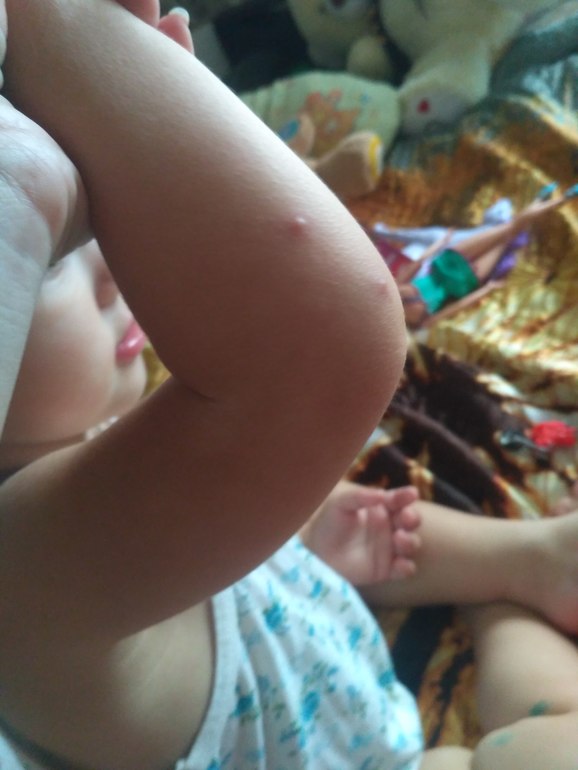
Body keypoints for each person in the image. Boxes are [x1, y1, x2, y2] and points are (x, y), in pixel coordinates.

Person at [1, 2, 578, 769]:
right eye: (51, 254)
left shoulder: (88, 453)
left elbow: (219, 502)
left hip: (370, 702)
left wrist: (312, 541)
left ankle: (524, 566)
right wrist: (56, 24)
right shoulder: (26, 578)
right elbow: (318, 350)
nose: (114, 271)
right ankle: (510, 590)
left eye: (97, 227)